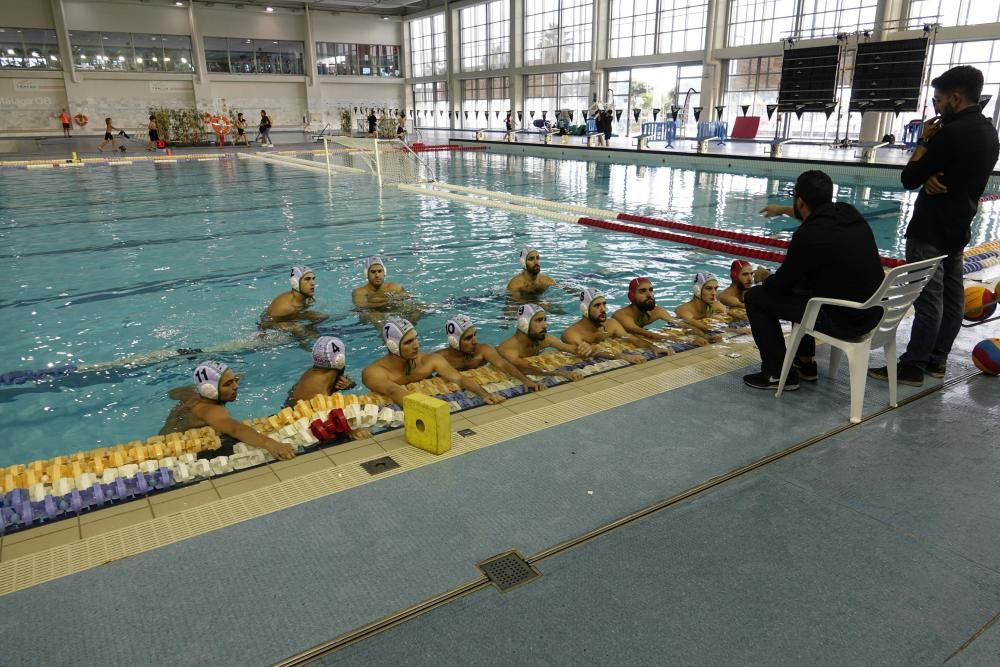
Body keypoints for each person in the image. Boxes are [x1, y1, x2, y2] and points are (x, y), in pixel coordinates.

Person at [868, 65, 999, 386]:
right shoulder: (988, 131)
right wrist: (932, 175)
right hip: (958, 227)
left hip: (930, 231)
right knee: (952, 299)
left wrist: (924, 143)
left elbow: (908, 178)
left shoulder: (950, 133)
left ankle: (913, 365)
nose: (936, 106)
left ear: (956, 97)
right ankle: (937, 361)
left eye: (939, 99)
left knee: (928, 302)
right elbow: (958, 174)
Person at [743, 170, 885, 390]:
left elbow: (781, 286)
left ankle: (776, 373)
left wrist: (765, 277)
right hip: (873, 313)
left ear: (800, 201)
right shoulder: (849, 213)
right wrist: (782, 210)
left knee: (756, 297)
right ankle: (805, 362)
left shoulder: (807, 235)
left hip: (844, 323)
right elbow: (817, 216)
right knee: (804, 285)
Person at [159, 361, 296, 460]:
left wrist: (229, 380)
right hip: (172, 452)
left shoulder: (189, 394)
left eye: (234, 380)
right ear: (209, 390)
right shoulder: (211, 410)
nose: (236, 386)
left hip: (164, 439)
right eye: (228, 384)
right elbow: (236, 429)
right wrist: (272, 444)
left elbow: (173, 393)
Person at [362, 318, 504, 406]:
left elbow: (459, 378)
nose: (416, 345)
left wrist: (485, 394)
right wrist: (429, 410)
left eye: (416, 338)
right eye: (409, 342)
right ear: (393, 346)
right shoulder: (373, 372)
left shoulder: (430, 360)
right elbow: (393, 391)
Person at [286, 336, 370, 440]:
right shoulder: (317, 389)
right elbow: (327, 422)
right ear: (340, 359)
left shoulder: (317, 373)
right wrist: (352, 430)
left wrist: (349, 385)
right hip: (298, 425)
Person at [436, 315, 545, 392]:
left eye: (475, 335)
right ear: (454, 342)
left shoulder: (483, 350)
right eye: (468, 338)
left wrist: (526, 381)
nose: (475, 341)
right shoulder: (440, 358)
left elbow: (503, 364)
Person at [497, 304, 592, 381]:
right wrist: (561, 373)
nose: (545, 325)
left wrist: (584, 348)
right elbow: (527, 368)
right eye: (539, 320)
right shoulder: (507, 349)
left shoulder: (545, 339)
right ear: (523, 323)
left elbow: (569, 348)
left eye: (544, 320)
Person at [562, 289, 657, 364]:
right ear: (585, 309)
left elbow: (633, 339)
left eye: (604, 304)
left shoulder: (612, 324)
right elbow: (588, 352)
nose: (603, 309)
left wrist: (654, 348)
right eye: (597, 305)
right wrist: (624, 357)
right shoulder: (572, 333)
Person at [259, 265, 329, 337]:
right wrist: (262, 335)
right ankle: (305, 344)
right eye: (307, 279)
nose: (313, 283)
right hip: (272, 322)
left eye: (313, 279)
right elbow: (265, 323)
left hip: (293, 316)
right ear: (295, 282)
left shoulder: (307, 298)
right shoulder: (286, 307)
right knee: (298, 328)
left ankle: (310, 330)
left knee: (321, 317)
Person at [675, 272, 727, 343]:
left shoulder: (716, 306)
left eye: (715, 288)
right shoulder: (684, 311)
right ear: (698, 290)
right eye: (709, 288)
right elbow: (701, 328)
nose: (714, 293)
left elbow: (725, 319)